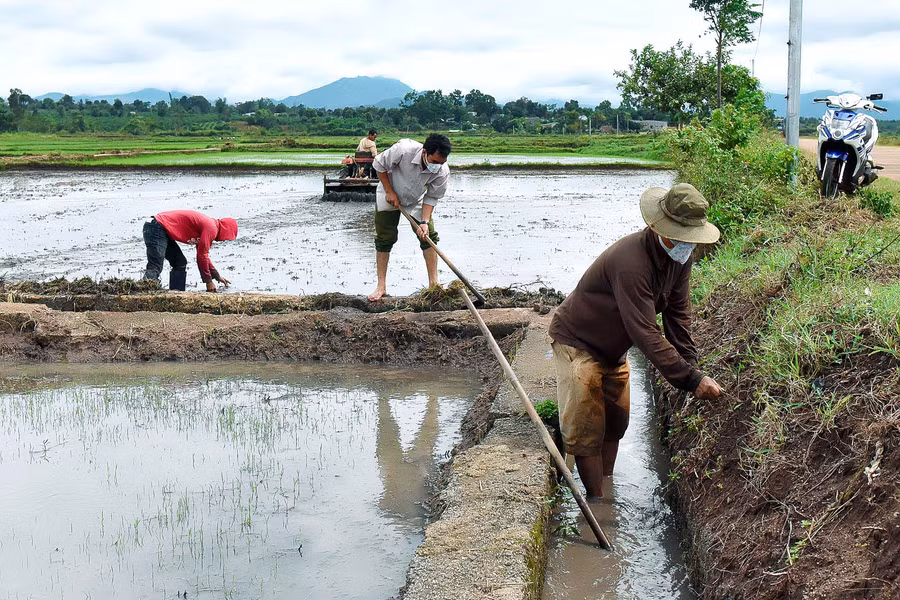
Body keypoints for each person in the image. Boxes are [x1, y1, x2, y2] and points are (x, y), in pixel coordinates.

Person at [548, 183, 724, 498]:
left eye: (690, 239)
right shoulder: (631, 262)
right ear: (659, 227)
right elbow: (644, 330)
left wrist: (693, 369)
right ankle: (598, 502)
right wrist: (689, 378)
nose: (687, 245)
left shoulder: (680, 259)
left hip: (614, 351)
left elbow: (677, 317)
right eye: (681, 236)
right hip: (578, 343)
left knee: (615, 422)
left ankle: (606, 486)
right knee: (586, 429)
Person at [367, 133, 452, 302]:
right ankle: (381, 286)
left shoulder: (442, 171)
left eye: (441, 163)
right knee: (385, 238)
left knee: (428, 237)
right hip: (389, 192)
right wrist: (390, 191)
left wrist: (425, 222)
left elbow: (432, 196)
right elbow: (379, 164)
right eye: (434, 162)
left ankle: (433, 284)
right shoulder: (403, 150)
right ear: (424, 152)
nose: (437, 166)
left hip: (416, 199)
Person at [142, 209, 238, 292]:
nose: (224, 240)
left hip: (161, 229)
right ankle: (144, 292)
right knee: (155, 265)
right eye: (227, 237)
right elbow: (202, 257)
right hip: (156, 226)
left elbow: (203, 255)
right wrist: (208, 282)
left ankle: (177, 294)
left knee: (180, 262)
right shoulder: (211, 228)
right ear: (226, 230)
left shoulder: (210, 227)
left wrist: (216, 275)